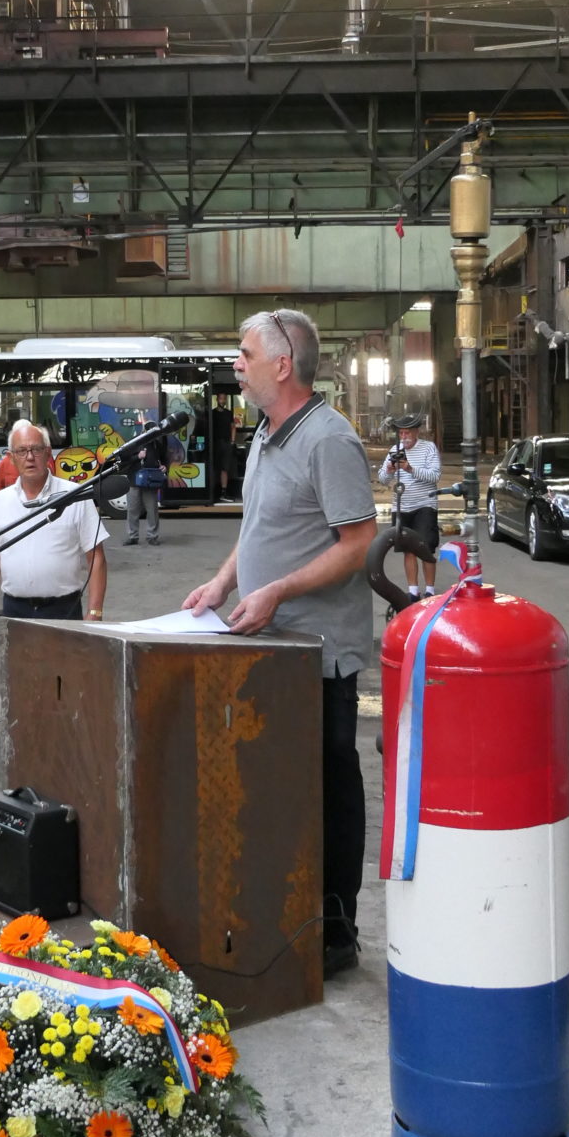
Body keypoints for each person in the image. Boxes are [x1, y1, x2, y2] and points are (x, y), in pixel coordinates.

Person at [182, 309, 375, 977]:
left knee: (326, 790)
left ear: (283, 364)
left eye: (245, 353)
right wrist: (223, 582)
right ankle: (285, 913)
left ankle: (335, 931)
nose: (236, 364)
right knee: (278, 794)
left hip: (317, 657)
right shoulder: (265, 434)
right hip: (269, 650)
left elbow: (357, 545)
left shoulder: (329, 440)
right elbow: (261, 528)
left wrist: (278, 592)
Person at [0, 422, 107, 655]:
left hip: (63, 610)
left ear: (48, 453)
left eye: (36, 449)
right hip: (15, 611)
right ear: (11, 457)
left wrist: (94, 613)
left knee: (66, 675)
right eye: (21, 451)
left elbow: (97, 558)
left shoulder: (74, 496)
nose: (29, 457)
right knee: (20, 677)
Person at [378, 417, 442, 600]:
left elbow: (435, 476)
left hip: (424, 505)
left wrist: (410, 469)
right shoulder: (395, 450)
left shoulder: (428, 448)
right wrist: (389, 470)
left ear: (416, 432)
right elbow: (382, 479)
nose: (404, 436)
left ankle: (430, 590)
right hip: (401, 506)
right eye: (401, 433)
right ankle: (413, 591)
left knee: (426, 547)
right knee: (408, 548)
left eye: (407, 433)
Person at [124, 420, 168, 547]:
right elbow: (124, 460)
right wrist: (137, 456)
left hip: (150, 482)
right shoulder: (134, 442)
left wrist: (164, 467)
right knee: (132, 510)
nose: (153, 436)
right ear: (144, 431)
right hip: (134, 481)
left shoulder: (157, 445)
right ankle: (133, 536)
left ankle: (152, 536)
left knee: (152, 510)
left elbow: (164, 460)